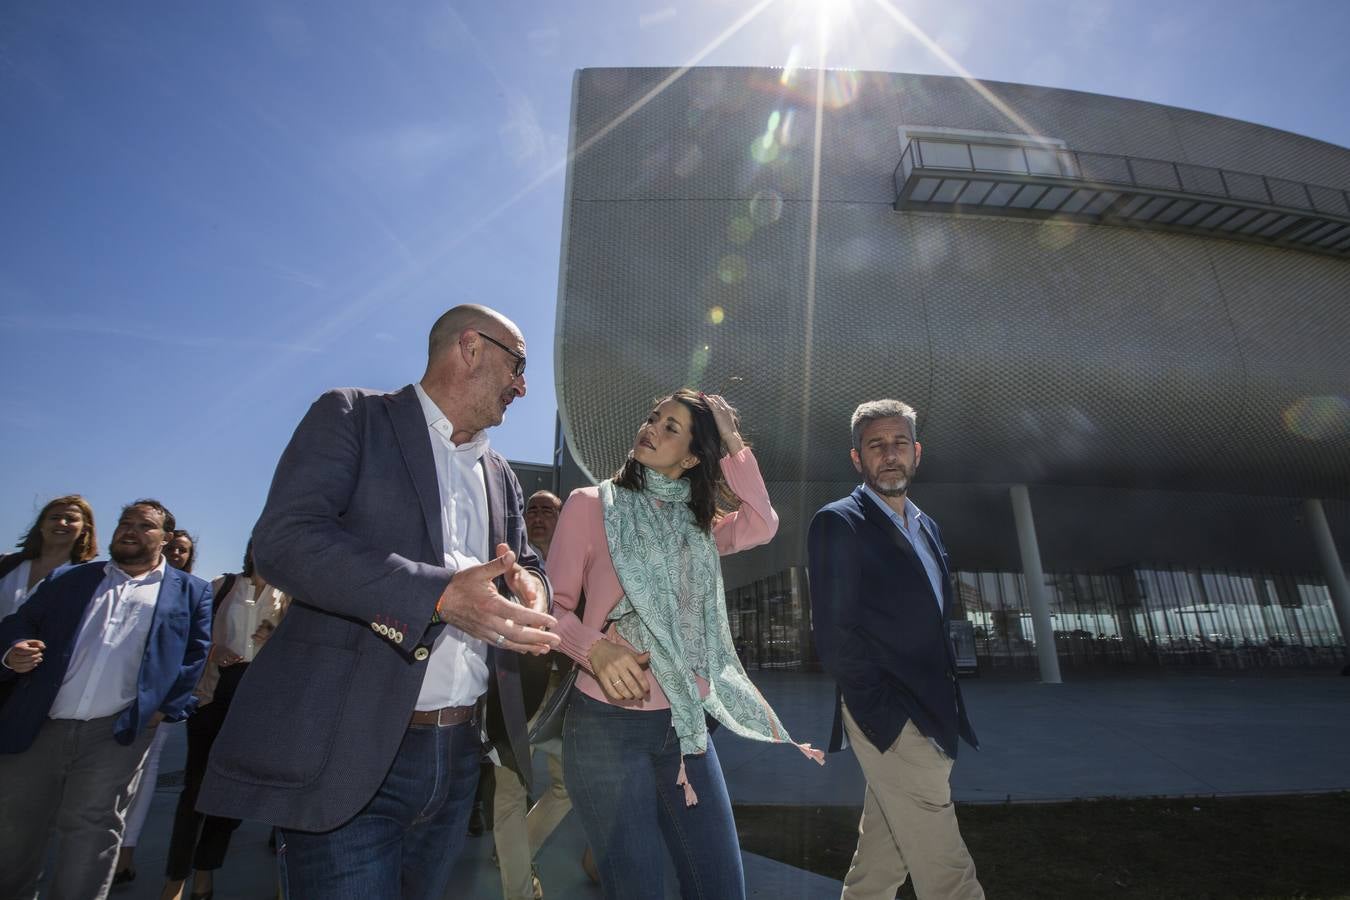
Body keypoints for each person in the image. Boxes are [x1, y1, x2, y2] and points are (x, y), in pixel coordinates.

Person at [197, 304, 558, 898]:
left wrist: (533, 588)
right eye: (517, 366)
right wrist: (436, 595)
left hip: (460, 755)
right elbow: (286, 541)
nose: (522, 386)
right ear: (469, 347)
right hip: (351, 751)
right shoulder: (352, 416)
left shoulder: (500, 473)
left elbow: (529, 560)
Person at [549, 389, 822, 900]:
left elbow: (763, 523)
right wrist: (595, 649)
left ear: (693, 456)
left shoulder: (699, 528)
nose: (650, 428)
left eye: (670, 427)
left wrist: (732, 438)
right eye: (652, 417)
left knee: (721, 888)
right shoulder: (590, 506)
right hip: (606, 730)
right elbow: (552, 606)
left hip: (685, 731)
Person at [807, 400, 983, 900]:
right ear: (856, 458)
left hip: (937, 709)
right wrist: (884, 711)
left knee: (881, 863)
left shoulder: (929, 528)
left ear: (917, 453)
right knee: (948, 873)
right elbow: (835, 634)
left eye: (899, 444)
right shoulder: (839, 522)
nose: (889, 455)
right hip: (893, 717)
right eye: (876, 445)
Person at [0, 499, 212, 900]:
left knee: (93, 832)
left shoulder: (191, 592)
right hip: (40, 722)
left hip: (116, 732)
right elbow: (20, 622)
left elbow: (194, 654)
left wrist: (163, 709)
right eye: (125, 522)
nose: (130, 530)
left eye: (144, 526)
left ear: (165, 539)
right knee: (15, 829)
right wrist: (13, 650)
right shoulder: (73, 579)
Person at [160, 540, 289, 900]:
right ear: (251, 549)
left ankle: (205, 872)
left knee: (229, 796)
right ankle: (175, 879)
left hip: (257, 703)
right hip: (214, 696)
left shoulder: (289, 596)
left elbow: (299, 648)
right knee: (195, 792)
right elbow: (191, 636)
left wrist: (277, 638)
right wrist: (215, 650)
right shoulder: (221, 585)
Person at [492, 489, 572, 900]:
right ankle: (519, 891)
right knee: (509, 795)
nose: (538, 516)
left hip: (563, 694)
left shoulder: (578, 558)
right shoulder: (508, 564)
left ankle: (517, 851)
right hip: (516, 690)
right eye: (532, 509)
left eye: (548, 510)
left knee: (567, 788)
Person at [114, 529, 199, 888]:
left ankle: (125, 853)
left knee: (143, 777)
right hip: (113, 695)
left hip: (157, 705)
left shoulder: (195, 591)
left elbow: (195, 649)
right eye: (173, 548)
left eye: (184, 550)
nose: (178, 554)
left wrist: (169, 704)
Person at [0, 494, 98, 619]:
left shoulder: (84, 579)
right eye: (55, 517)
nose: (62, 523)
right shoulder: (5, 563)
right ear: (41, 524)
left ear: (84, 528)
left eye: (71, 519)